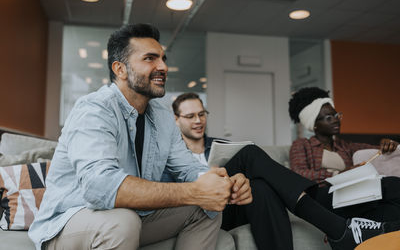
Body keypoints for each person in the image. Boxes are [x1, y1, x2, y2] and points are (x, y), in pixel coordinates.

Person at [28, 24, 252, 250]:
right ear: (120, 69)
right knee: (122, 222)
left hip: (131, 217)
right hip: (69, 222)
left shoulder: (163, 115)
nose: (163, 66)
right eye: (150, 59)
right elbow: (100, 187)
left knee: (207, 209)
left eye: (163, 58)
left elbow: (187, 169)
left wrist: (221, 182)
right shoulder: (94, 109)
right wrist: (194, 191)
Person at [171, 93, 400, 250]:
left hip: (232, 201)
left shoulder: (219, 144)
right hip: (201, 209)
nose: (198, 120)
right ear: (176, 119)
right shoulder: (171, 152)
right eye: (190, 116)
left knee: (259, 187)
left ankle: (367, 232)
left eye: (202, 114)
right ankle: (338, 228)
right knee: (249, 152)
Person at [288, 87, 399, 183]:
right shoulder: (302, 145)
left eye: (336, 115)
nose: (336, 120)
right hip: (322, 193)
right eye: (328, 118)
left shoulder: (344, 145)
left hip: (349, 190)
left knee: (391, 184)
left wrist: (387, 143)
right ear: (314, 124)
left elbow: (378, 150)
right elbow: (298, 173)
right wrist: (338, 174)